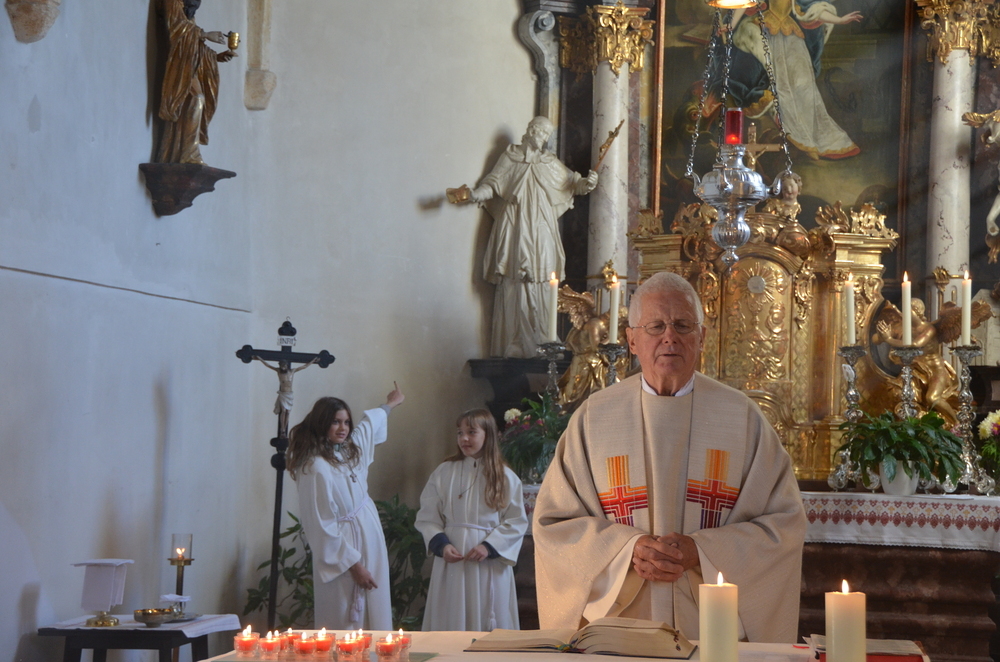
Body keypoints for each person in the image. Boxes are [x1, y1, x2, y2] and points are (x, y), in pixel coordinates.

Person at [532, 272, 806, 642]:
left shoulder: (741, 418)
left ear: (702, 337)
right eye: (656, 326)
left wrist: (702, 551)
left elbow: (784, 525)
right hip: (619, 626)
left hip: (712, 624)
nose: (669, 337)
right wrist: (627, 549)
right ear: (631, 339)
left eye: (682, 325)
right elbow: (554, 525)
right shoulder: (595, 419)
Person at [457, 116, 598, 358]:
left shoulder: (549, 162)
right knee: (516, 276)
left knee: (543, 276)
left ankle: (543, 337)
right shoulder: (510, 157)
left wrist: (588, 183)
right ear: (530, 131)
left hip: (542, 226)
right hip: (516, 225)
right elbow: (493, 184)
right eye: (541, 132)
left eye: (547, 135)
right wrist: (474, 195)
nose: (543, 138)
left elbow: (574, 184)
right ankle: (513, 341)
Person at [288, 383, 405, 630]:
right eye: (335, 422)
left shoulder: (349, 452)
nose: (343, 428)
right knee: (345, 616)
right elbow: (321, 526)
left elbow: (368, 426)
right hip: (344, 553)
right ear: (321, 423)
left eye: (346, 422)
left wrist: (391, 404)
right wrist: (355, 565)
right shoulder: (315, 467)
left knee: (375, 613)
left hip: (370, 540)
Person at [415, 409, 528, 631]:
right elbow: (427, 517)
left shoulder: (505, 477)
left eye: (471, 432)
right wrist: (441, 545)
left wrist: (489, 546)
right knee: (451, 616)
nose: (464, 438)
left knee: (487, 615)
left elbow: (516, 521)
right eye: (460, 432)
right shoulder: (444, 472)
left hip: (488, 563)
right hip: (453, 560)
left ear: (488, 435)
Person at [721, 0, 861, 160]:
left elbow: (812, 9)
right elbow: (745, 2)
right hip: (764, 30)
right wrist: (731, 25)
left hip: (791, 34)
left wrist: (839, 20)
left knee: (805, 85)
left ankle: (817, 141)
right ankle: (799, 137)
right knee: (781, 84)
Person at [157, 0, 235, 164]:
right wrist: (205, 34)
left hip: (188, 66)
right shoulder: (173, 2)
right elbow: (176, 28)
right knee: (196, 98)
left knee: (193, 101)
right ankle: (189, 154)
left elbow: (195, 46)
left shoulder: (189, 13)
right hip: (179, 67)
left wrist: (216, 57)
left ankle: (180, 153)